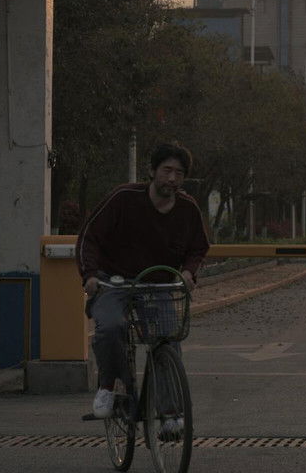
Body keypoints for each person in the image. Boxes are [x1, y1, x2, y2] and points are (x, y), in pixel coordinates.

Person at [77, 143, 210, 422]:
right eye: (167, 171)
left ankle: (171, 413)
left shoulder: (187, 209)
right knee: (111, 328)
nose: (172, 179)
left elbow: (198, 247)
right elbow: (90, 237)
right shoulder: (123, 198)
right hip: (114, 282)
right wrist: (89, 274)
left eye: (179, 173)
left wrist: (188, 272)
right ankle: (107, 386)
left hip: (158, 286)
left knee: (167, 341)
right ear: (152, 171)